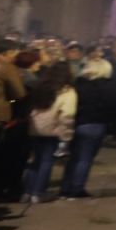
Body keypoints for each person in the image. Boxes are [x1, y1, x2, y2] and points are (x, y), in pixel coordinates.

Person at [61, 57, 116, 199]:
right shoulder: (108, 86)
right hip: (95, 124)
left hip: (77, 123)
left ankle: (65, 187)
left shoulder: (77, 84)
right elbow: (114, 105)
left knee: (74, 157)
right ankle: (77, 188)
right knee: (85, 158)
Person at [23, 62, 75, 205]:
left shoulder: (41, 87)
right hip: (53, 130)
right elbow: (67, 115)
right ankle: (38, 193)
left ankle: (27, 191)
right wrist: (66, 136)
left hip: (35, 129)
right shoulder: (67, 91)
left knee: (34, 161)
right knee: (46, 162)